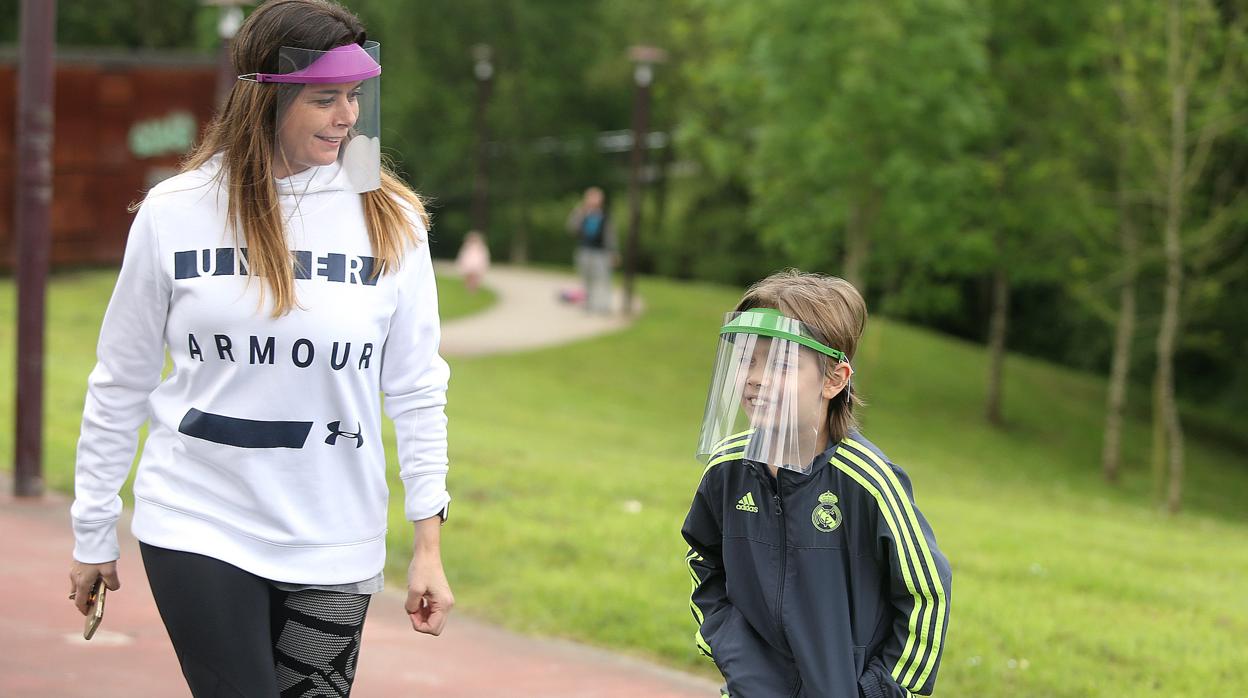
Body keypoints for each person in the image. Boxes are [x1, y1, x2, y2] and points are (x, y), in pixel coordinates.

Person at [65, 1, 454, 695]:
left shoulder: (389, 217)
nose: (347, 117)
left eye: (354, 97)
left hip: (335, 532)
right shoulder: (176, 209)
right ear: (263, 101)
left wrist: (429, 546)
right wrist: (93, 529)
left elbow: (418, 385)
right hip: (198, 517)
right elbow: (120, 379)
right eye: (325, 98)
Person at [682, 270, 952, 697]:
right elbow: (705, 564)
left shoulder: (870, 481)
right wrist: (734, 653)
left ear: (834, 380)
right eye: (748, 359)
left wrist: (879, 690)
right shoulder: (726, 469)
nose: (756, 378)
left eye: (781, 363)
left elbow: (926, 595)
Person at [565, 186, 616, 314]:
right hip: (584, 250)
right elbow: (571, 228)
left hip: (601, 252)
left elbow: (611, 235)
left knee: (603, 279)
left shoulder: (605, 215)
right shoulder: (582, 213)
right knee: (586, 279)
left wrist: (613, 251)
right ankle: (589, 305)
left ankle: (604, 306)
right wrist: (580, 212)